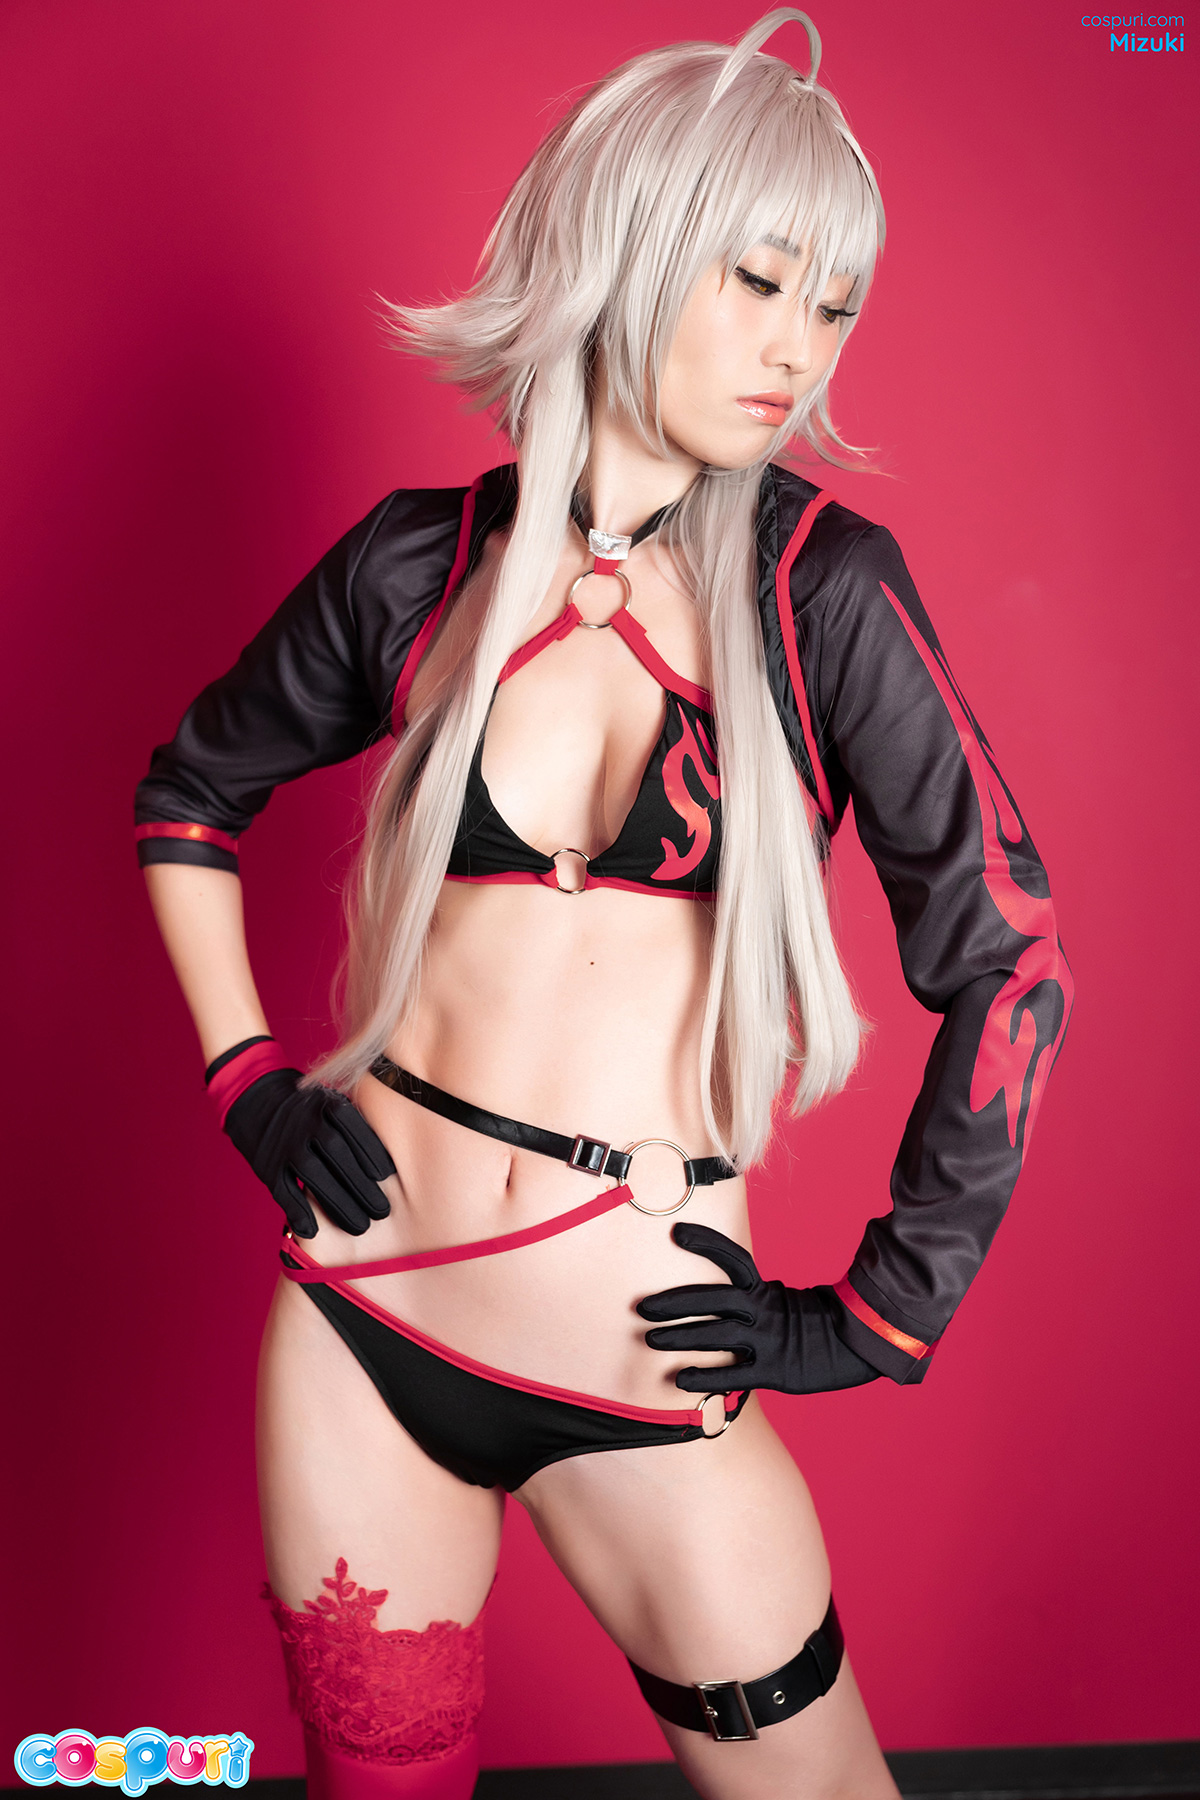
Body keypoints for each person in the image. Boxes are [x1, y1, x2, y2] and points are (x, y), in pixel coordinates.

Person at [135, 10, 1072, 1798]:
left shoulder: (822, 594)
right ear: (627, 250)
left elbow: (1013, 964)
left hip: (639, 1353)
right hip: (364, 1318)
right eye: (760, 282)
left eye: (835, 306)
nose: (798, 349)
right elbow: (189, 796)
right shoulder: (418, 567)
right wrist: (247, 1076)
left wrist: (880, 1313)